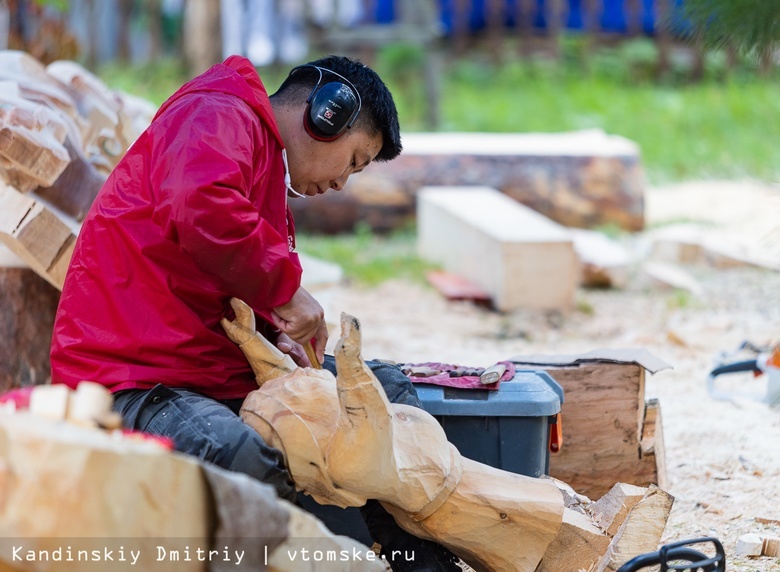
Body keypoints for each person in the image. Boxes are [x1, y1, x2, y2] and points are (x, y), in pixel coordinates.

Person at [49, 54, 460, 571]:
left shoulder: (260, 168)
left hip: (206, 374)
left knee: (389, 399)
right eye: (353, 161)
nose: (341, 184)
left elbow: (227, 285)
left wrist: (276, 338)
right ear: (327, 114)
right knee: (239, 457)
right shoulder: (216, 113)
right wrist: (286, 289)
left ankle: (419, 566)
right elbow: (199, 202)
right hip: (133, 381)